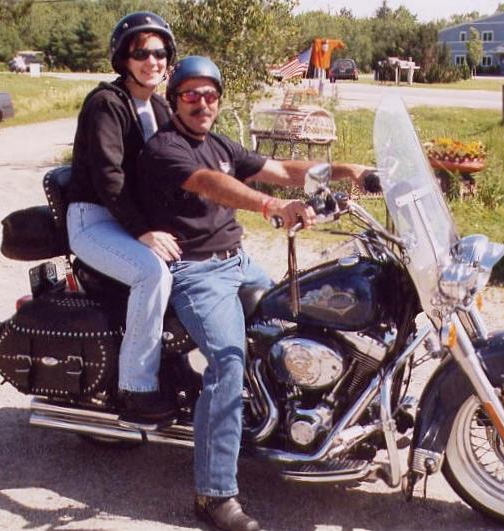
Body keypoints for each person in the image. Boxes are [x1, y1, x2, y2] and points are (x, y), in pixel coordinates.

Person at [135, 55, 373, 531]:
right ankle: (213, 494)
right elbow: (211, 184)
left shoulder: (220, 143)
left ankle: (288, 420)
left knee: (299, 324)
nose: (202, 104)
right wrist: (271, 206)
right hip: (196, 272)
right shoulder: (166, 148)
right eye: (191, 95)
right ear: (175, 100)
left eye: (209, 95)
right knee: (227, 360)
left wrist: (353, 172)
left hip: (237, 263)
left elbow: (283, 168)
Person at [65, 11, 181, 427]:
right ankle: (136, 386)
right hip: (93, 220)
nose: (152, 60)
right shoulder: (106, 104)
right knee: (152, 273)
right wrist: (146, 231)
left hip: (130, 219)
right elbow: (109, 178)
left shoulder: (161, 107)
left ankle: (178, 365)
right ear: (123, 58)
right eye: (141, 52)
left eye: (160, 51)